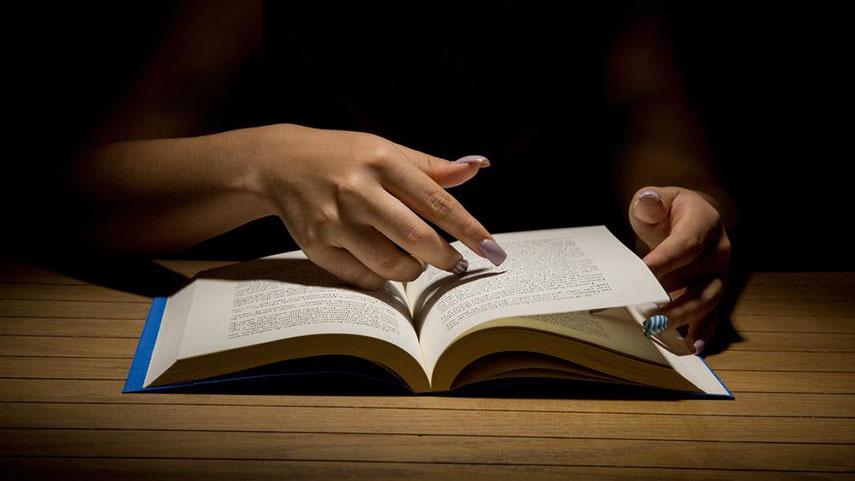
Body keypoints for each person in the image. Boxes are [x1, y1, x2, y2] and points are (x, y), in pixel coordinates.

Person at [16, 2, 735, 355]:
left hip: (564, 340)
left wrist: (688, 207)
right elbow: (64, 196)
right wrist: (260, 162)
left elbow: (655, 122)